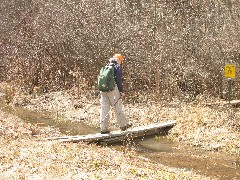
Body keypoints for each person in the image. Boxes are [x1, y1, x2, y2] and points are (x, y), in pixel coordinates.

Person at [100, 54, 132, 134]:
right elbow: (118, 80)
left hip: (103, 90)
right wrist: (121, 91)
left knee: (104, 108)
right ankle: (123, 125)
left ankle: (103, 128)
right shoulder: (117, 67)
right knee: (117, 106)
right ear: (119, 60)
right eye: (121, 60)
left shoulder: (107, 65)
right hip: (112, 90)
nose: (121, 62)